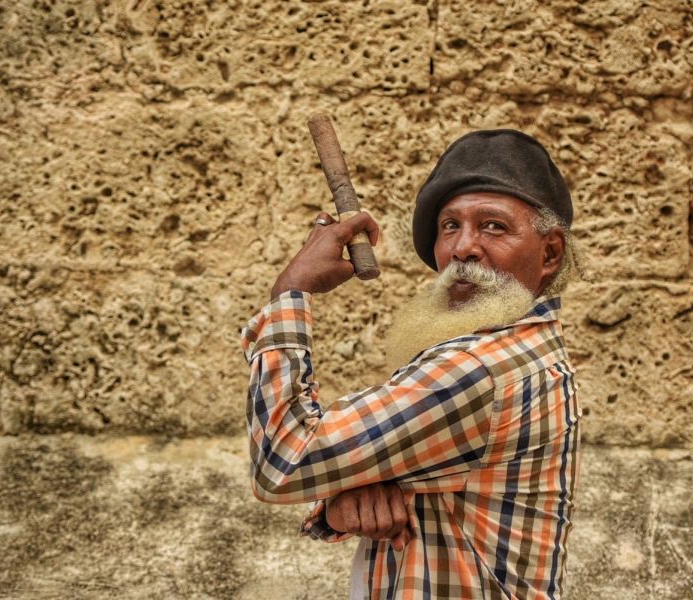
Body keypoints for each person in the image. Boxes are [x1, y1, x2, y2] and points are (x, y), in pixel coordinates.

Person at [241, 129, 581, 599]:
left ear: (549, 253)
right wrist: (343, 499)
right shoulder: (523, 352)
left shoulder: (480, 370)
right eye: (449, 226)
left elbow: (282, 460)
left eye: (493, 226)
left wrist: (290, 292)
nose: (463, 248)